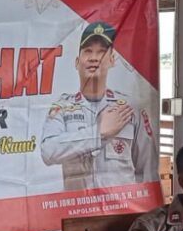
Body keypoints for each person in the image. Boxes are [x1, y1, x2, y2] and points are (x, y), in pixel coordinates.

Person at [41, 21, 159, 190]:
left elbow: (147, 171)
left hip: (120, 210)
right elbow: (48, 152)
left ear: (111, 60)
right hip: (77, 210)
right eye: (88, 51)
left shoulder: (129, 108)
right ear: (77, 62)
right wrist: (98, 134)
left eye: (102, 52)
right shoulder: (63, 108)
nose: (94, 57)